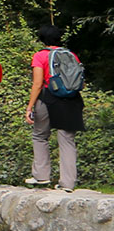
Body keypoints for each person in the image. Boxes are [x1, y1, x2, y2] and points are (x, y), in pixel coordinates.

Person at [25, 24, 85, 191]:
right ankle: (68, 183)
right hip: (71, 100)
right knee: (67, 140)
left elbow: (37, 84)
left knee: (40, 136)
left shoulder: (40, 56)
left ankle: (41, 177)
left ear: (42, 39)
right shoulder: (71, 55)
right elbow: (81, 81)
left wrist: (30, 107)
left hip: (47, 98)